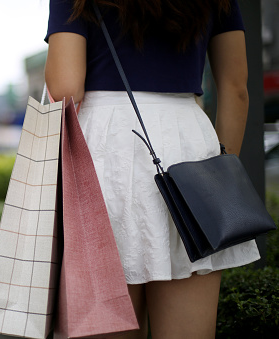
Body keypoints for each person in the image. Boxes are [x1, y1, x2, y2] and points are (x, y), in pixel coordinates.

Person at [44, 0, 261, 338]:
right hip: (189, 147)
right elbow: (236, 89)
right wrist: (218, 176)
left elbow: (65, 88)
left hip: (103, 148)